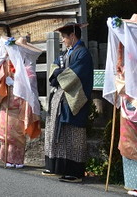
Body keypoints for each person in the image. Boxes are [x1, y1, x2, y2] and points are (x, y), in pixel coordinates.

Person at [43, 22, 93, 182]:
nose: (63, 40)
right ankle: (58, 166)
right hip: (61, 99)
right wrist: (59, 73)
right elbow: (53, 69)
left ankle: (75, 171)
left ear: (72, 35)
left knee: (74, 133)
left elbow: (74, 75)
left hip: (75, 100)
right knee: (60, 132)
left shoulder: (83, 54)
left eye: (64, 37)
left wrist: (60, 74)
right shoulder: (66, 54)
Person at [0, 36, 42, 168]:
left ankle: (17, 160)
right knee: (5, 131)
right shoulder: (6, 64)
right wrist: (0, 61)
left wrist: (16, 82)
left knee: (17, 134)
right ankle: (7, 158)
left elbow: (31, 82)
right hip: (7, 102)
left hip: (20, 104)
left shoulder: (26, 64)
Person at [103, 14, 137, 196]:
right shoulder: (124, 51)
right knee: (127, 142)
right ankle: (134, 183)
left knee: (132, 141)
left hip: (133, 100)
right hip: (128, 102)